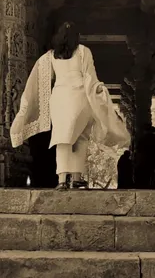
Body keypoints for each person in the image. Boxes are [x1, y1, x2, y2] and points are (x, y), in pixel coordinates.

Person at [10, 21, 130, 190]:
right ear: (77, 37)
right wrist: (98, 89)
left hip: (59, 98)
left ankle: (61, 179)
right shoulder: (83, 51)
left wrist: (25, 110)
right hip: (80, 96)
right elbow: (90, 77)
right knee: (80, 136)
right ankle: (76, 178)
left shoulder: (51, 56)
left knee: (61, 138)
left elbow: (39, 78)